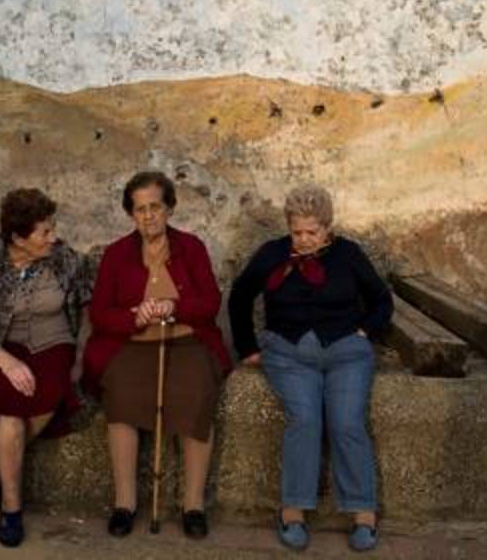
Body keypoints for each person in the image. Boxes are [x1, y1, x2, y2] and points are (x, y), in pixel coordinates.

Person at [229, 183, 393, 552]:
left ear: (327, 227)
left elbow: (381, 299)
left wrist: (366, 331)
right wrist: (248, 347)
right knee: (305, 420)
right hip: (288, 353)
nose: (303, 239)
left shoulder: (348, 253)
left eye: (312, 232)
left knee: (347, 421)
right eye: (297, 231)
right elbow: (240, 296)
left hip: (346, 351)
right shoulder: (272, 253)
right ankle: (293, 512)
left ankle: (363, 513)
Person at [83, 171, 233, 539]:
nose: (148, 216)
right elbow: (100, 313)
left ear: (169, 209)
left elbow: (210, 303)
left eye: (155, 207)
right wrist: (134, 315)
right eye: (139, 210)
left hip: (186, 342)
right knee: (120, 396)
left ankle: (193, 505)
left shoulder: (191, 248)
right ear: (131, 214)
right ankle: (125, 503)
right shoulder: (117, 254)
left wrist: (173, 305)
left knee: (197, 396)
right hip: (132, 344)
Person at [0, 188, 93, 547]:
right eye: (44, 232)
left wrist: (79, 356)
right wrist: (4, 359)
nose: (53, 237)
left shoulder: (63, 258)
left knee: (49, 394)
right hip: (3, 343)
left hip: (54, 340)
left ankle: (5, 462)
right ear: (17, 237)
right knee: (10, 408)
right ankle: (11, 510)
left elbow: (89, 303)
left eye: (52, 228)